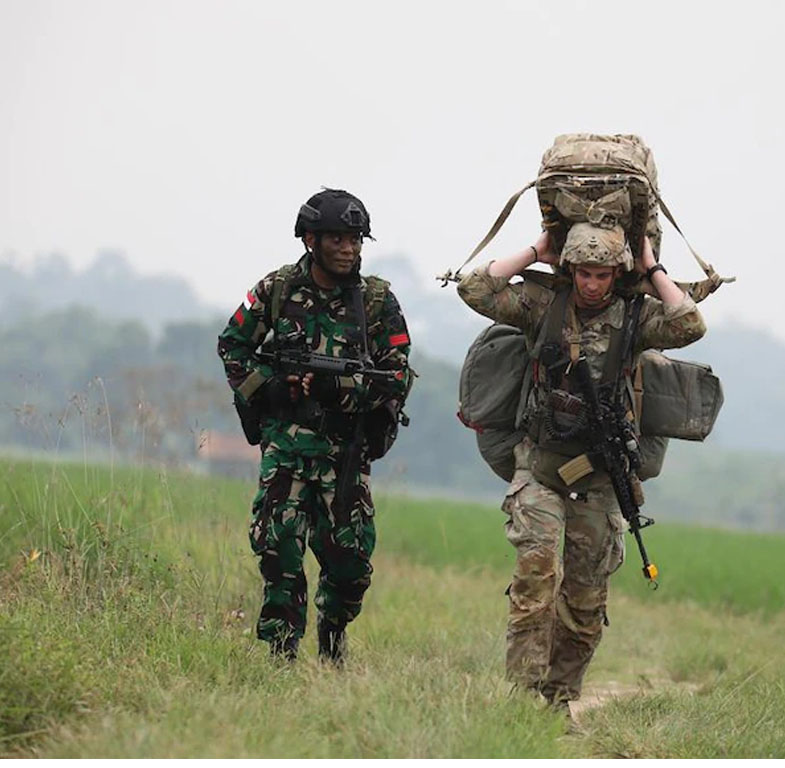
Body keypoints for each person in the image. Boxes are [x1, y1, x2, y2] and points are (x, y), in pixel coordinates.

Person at [456, 222, 708, 709]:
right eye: (584, 273)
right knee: (535, 577)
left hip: (599, 480)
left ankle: (559, 698)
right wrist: (537, 249)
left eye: (602, 275)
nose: (592, 284)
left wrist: (650, 264)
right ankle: (521, 698)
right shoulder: (540, 306)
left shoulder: (636, 318)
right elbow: (475, 288)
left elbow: (689, 325)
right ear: (569, 270)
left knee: (585, 602)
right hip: (540, 469)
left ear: (617, 274)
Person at [218, 188, 412, 662]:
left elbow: (398, 374)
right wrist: (273, 389)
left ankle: (332, 635)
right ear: (310, 240)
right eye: (337, 239)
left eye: (355, 239)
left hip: (344, 453)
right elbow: (233, 347)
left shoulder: (377, 300)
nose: (349, 249)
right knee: (278, 555)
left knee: (350, 568)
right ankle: (280, 659)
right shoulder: (278, 290)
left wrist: (344, 393)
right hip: (286, 449)